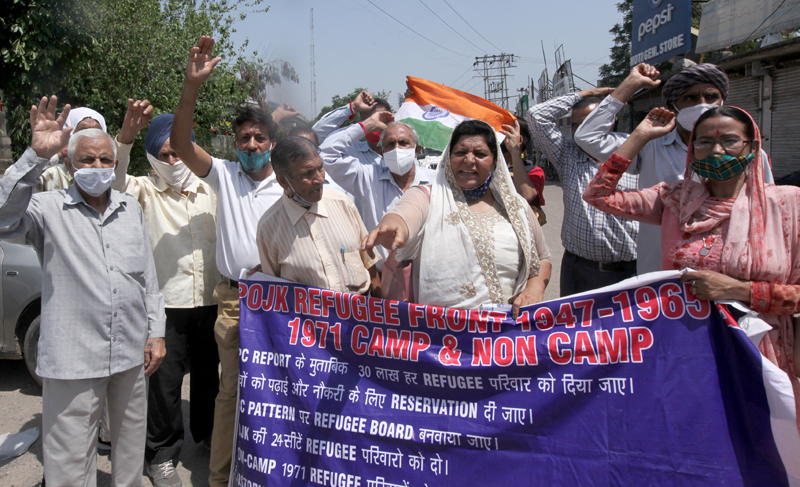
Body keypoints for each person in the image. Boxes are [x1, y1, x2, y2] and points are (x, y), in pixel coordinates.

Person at [582, 105, 800, 427]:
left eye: (729, 141)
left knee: (759, 441)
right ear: (692, 148)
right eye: (704, 143)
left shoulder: (787, 205)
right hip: (687, 348)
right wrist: (641, 135)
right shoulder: (674, 199)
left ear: (752, 147)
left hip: (760, 350)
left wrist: (740, 290)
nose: (716, 150)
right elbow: (598, 195)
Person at [0, 96, 165, 486]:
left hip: (128, 352)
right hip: (73, 357)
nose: (98, 167)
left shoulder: (130, 208)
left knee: (129, 449)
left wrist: (156, 331)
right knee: (71, 459)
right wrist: (35, 155)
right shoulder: (46, 208)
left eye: (105, 160)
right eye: (87, 160)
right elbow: (4, 217)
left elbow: (146, 276)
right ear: (70, 164)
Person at [170, 36, 284, 487]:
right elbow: (179, 142)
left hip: (284, 303)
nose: (251, 144)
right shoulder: (224, 173)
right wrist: (190, 87)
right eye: (243, 138)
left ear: (272, 143)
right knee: (230, 393)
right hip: (237, 302)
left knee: (279, 392)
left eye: (259, 137)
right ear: (233, 143)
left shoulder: (290, 184)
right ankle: (220, 478)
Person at [575, 62, 773, 274]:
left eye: (711, 96)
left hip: (730, 278)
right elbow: (588, 137)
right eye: (691, 98)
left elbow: (766, 214)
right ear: (672, 107)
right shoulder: (653, 152)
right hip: (663, 278)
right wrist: (630, 87)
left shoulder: (750, 156)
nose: (702, 104)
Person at [112, 102, 220, 486]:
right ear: (152, 157)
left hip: (210, 299)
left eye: (179, 150)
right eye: (165, 153)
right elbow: (114, 179)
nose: (174, 159)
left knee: (210, 377)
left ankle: (208, 437)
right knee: (164, 383)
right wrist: (124, 138)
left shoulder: (210, 188)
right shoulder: (141, 189)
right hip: (166, 306)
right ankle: (160, 454)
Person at [363, 120, 551, 316]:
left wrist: (534, 290)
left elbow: (542, 257)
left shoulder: (515, 207)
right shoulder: (428, 197)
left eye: (480, 154)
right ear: (448, 158)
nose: (469, 160)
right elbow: (403, 214)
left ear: (495, 161)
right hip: (443, 336)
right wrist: (392, 225)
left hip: (505, 337)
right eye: (460, 153)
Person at [527, 88, 640, 295]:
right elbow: (536, 115)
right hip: (580, 270)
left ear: (610, 121)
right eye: (576, 125)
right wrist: (586, 93)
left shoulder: (636, 151)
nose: (581, 132)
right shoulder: (567, 154)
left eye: (589, 123)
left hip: (632, 272)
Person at [257, 136, 381, 294]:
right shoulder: (268, 228)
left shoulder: (343, 204)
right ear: (282, 181)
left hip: (359, 313)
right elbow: (273, 292)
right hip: (307, 318)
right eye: (308, 174)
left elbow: (370, 263)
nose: (320, 179)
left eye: (320, 168)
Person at [319, 112, 435, 265]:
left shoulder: (435, 181)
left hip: (428, 275)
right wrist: (366, 126)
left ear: (417, 150)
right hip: (384, 279)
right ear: (382, 152)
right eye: (390, 144)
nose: (397, 149)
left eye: (403, 143)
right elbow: (326, 153)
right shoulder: (368, 178)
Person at [313, 90, 392, 158]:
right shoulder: (350, 151)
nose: (375, 124)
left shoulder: (399, 153)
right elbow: (316, 134)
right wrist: (353, 107)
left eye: (380, 119)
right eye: (369, 120)